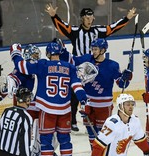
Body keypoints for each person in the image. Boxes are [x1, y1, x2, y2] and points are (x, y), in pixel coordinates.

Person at [45, 3, 137, 132]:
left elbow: (113, 28)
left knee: (93, 88)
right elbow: (63, 28)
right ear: (82, 18)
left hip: (94, 68)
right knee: (74, 93)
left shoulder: (98, 31)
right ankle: (71, 120)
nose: (89, 20)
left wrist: (127, 18)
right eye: (86, 18)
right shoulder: (76, 31)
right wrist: (54, 17)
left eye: (91, 17)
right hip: (79, 65)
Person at [10, 41, 89, 156]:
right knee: (65, 139)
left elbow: (21, 66)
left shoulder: (43, 64)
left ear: (47, 54)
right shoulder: (69, 66)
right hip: (65, 110)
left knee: (46, 140)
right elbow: (77, 86)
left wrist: (15, 53)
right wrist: (83, 100)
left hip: (47, 109)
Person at [72, 38, 133, 148]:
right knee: (91, 132)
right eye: (93, 49)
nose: (93, 51)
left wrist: (126, 78)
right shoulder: (86, 59)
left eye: (96, 49)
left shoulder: (112, 65)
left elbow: (121, 84)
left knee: (103, 133)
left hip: (103, 106)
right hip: (88, 103)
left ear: (103, 50)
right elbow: (71, 60)